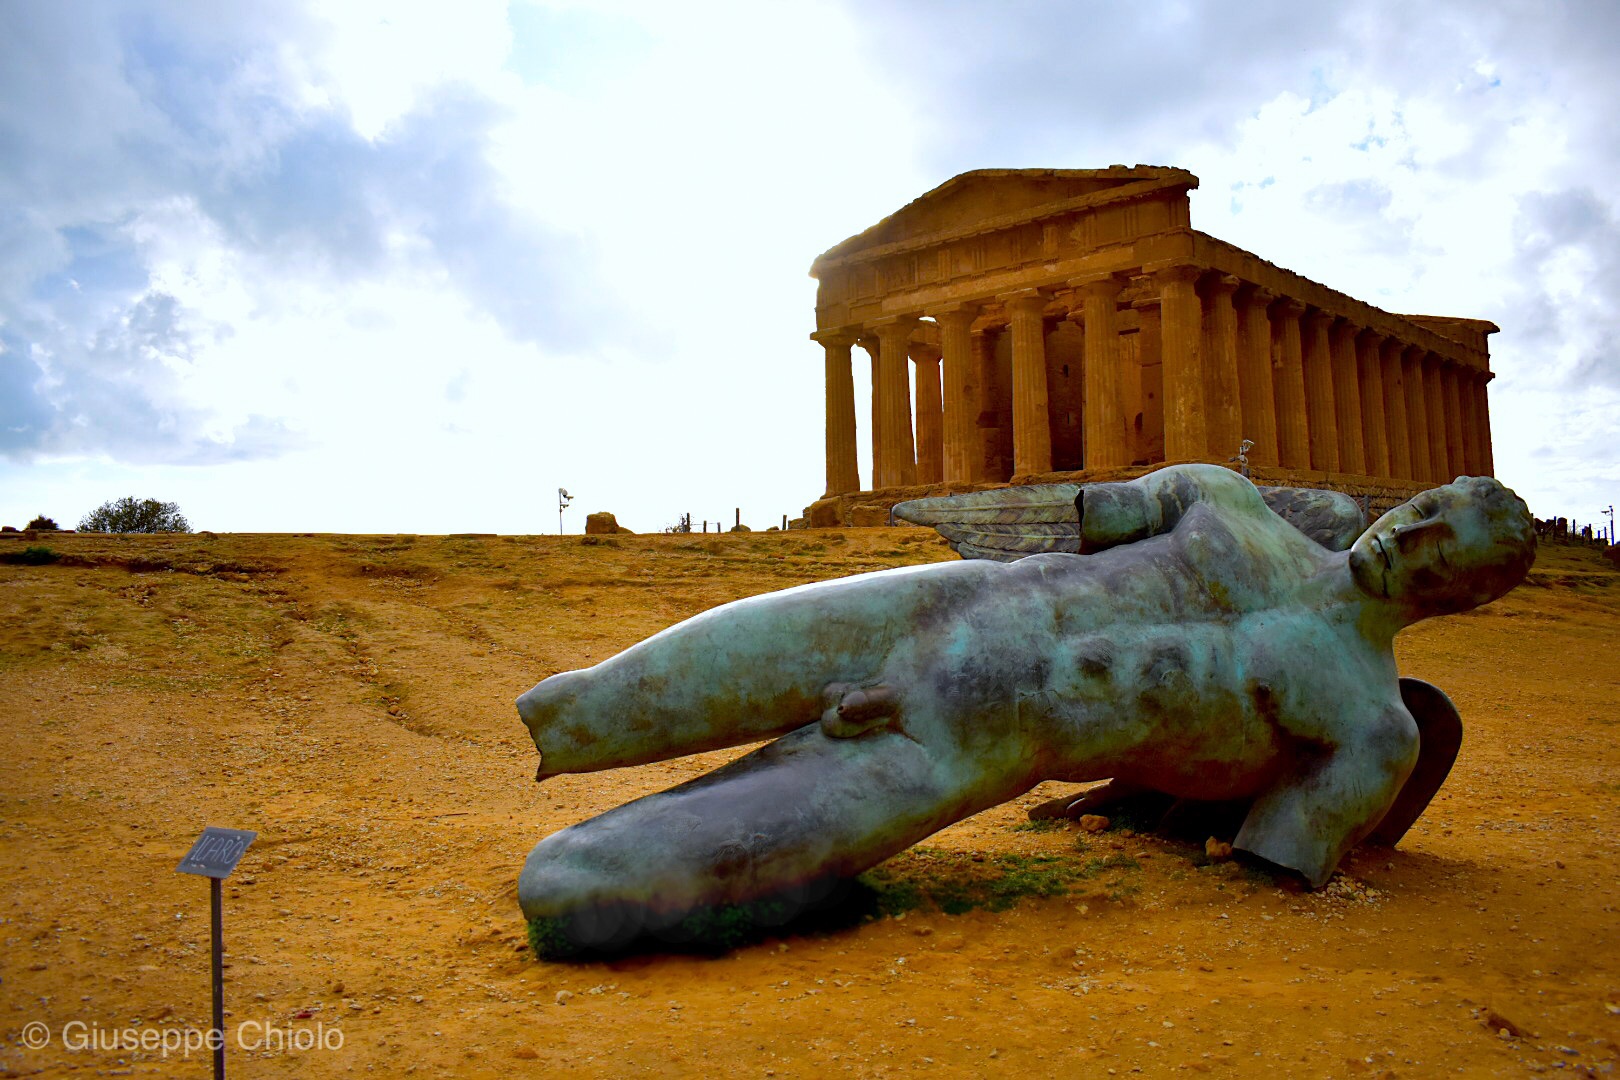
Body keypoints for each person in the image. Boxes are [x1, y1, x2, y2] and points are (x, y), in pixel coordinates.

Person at [514, 465, 1534, 943]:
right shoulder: (1226, 497)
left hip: (964, 746)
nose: (1414, 539)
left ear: (1471, 599)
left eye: (1449, 554)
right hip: (936, 607)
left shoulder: (1372, 728)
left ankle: (777, 884)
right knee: (580, 708)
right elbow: (1076, 513)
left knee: (570, 888)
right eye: (1427, 511)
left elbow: (1279, 854)